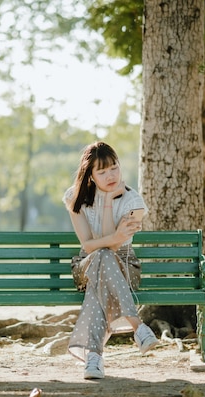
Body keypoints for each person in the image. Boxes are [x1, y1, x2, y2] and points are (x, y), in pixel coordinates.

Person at [62, 141, 160, 380]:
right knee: (102, 257)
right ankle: (139, 327)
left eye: (114, 167)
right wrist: (107, 205)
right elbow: (88, 244)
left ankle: (93, 358)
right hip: (87, 265)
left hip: (124, 266)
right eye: (102, 172)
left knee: (104, 260)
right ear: (91, 176)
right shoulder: (75, 197)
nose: (111, 175)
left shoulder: (133, 202)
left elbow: (114, 245)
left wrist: (109, 205)